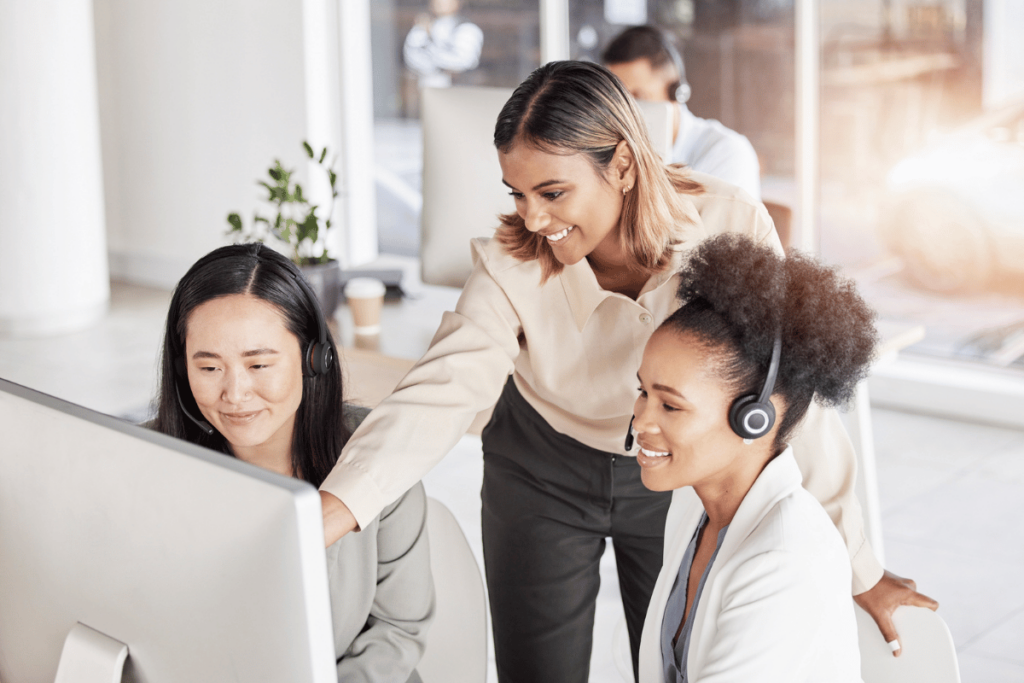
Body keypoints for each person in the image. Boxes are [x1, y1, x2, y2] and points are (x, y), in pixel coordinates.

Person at [318, 61, 930, 682]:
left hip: (666, 470)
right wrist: (333, 512)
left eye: (552, 192)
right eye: (517, 193)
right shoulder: (516, 260)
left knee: (671, 663)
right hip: (541, 464)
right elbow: (441, 390)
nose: (532, 218)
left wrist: (860, 566)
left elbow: (790, 396)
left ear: (624, 166)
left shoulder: (730, 223)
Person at [151, 243, 434, 683]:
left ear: (312, 359)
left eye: (259, 363)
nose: (236, 393)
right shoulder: (144, 463)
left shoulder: (375, 454)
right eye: (208, 369)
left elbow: (399, 629)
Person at [633, 234, 884, 681]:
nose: (641, 423)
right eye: (643, 393)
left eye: (670, 406)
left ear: (756, 418)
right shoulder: (693, 505)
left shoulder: (783, 558)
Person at [602, 25, 761, 200]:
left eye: (639, 97)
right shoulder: (614, 155)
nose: (627, 110)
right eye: (618, 99)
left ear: (676, 92)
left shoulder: (727, 152)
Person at [403, 0, 483, 90]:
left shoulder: (467, 28)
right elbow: (412, 56)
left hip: (457, 92)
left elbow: (464, 62)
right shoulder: (422, 26)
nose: (440, 2)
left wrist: (430, 51)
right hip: (426, 89)